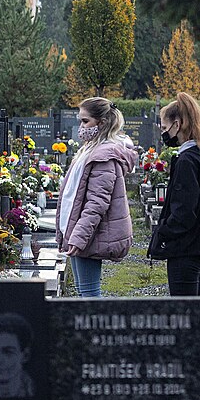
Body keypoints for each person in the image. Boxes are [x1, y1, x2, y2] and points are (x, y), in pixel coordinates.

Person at [56, 97, 137, 297]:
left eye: (85, 121)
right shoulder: (90, 150)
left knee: (89, 294)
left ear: (101, 123)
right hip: (78, 230)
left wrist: (79, 237)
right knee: (84, 292)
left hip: (88, 234)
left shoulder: (104, 157)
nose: (81, 127)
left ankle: (97, 328)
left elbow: (97, 203)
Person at [149, 92, 200, 295]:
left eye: (165, 128)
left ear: (177, 124)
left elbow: (184, 210)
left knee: (184, 313)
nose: (164, 133)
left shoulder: (187, 161)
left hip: (186, 247)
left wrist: (163, 231)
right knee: (194, 311)